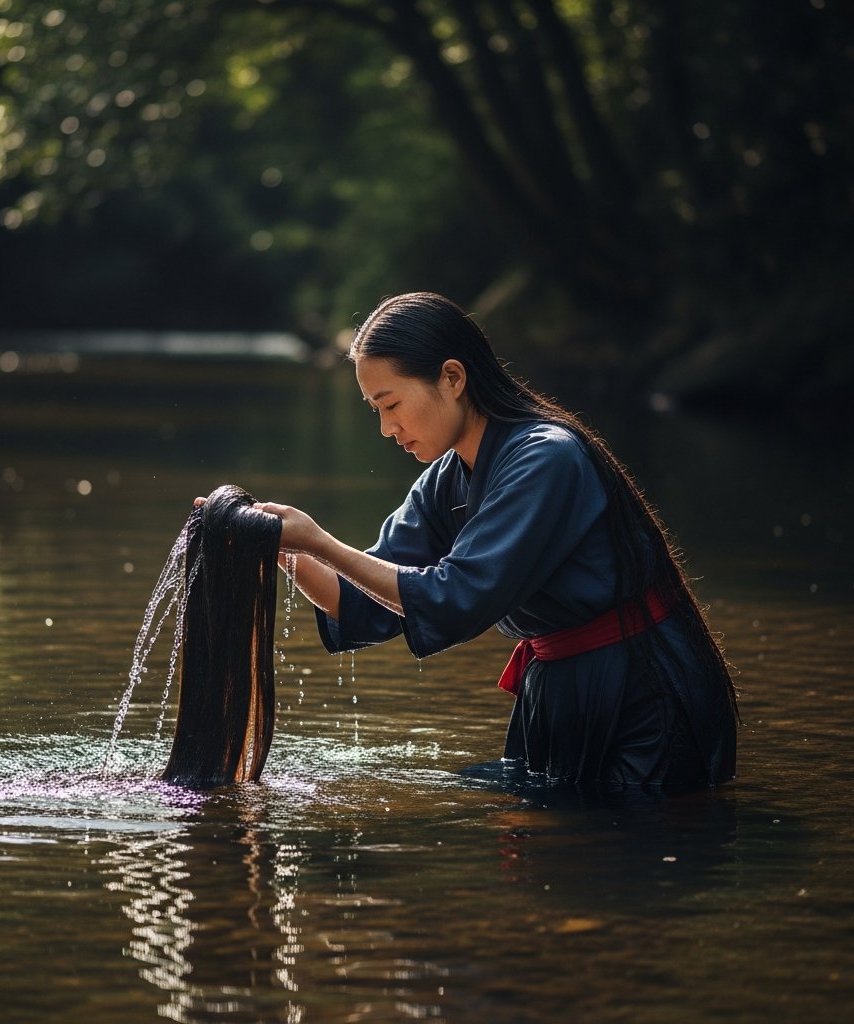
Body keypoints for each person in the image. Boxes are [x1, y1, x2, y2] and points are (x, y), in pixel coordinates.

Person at [254, 292, 738, 793]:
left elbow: (456, 596)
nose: (386, 428)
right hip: (557, 689)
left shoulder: (547, 457)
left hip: (640, 691)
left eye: (392, 404)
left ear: (453, 378)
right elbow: (366, 600)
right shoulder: (446, 478)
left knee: (609, 848)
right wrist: (290, 551)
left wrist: (320, 541)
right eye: (376, 409)